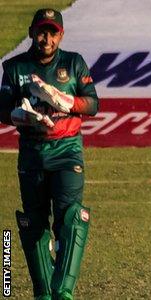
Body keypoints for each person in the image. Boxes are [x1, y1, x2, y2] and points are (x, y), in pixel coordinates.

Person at [0, 8, 99, 300]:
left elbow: (93, 104)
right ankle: (43, 293)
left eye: (52, 32)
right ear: (31, 33)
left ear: (61, 35)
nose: (46, 38)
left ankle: (63, 291)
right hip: (31, 152)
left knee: (71, 219)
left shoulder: (74, 63)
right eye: (41, 32)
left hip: (67, 149)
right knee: (34, 223)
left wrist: (68, 102)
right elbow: (2, 109)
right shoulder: (15, 67)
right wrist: (19, 116)